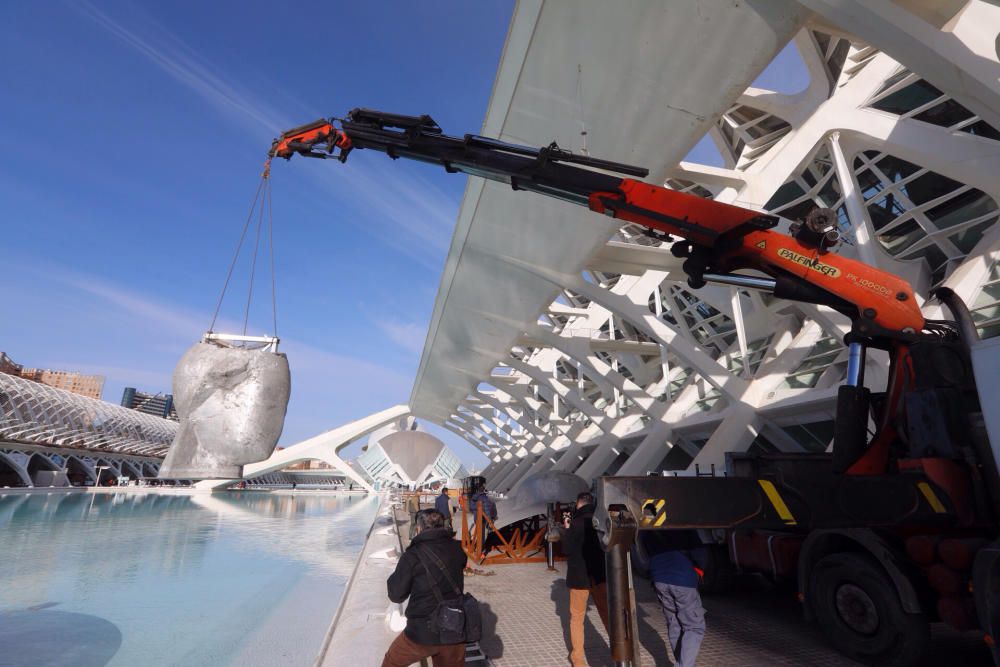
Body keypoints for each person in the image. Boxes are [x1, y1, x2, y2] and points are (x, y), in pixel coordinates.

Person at [383, 509, 468, 667]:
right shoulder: (457, 549)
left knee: (391, 662)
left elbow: (396, 595)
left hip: (421, 633)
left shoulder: (412, 555)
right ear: (443, 525)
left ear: (419, 528)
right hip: (454, 628)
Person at [639, 518, 706, 667]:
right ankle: (684, 664)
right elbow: (699, 551)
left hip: (659, 579)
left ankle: (682, 662)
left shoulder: (646, 526)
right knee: (694, 626)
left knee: (674, 623)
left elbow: (643, 554)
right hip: (683, 578)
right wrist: (699, 571)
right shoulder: (681, 521)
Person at [560, 491, 609, 667]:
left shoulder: (575, 523)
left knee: (577, 618)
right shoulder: (600, 522)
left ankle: (578, 659)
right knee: (607, 615)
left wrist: (566, 527)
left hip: (579, 578)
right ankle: (620, 654)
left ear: (578, 503)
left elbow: (566, 549)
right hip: (599, 576)